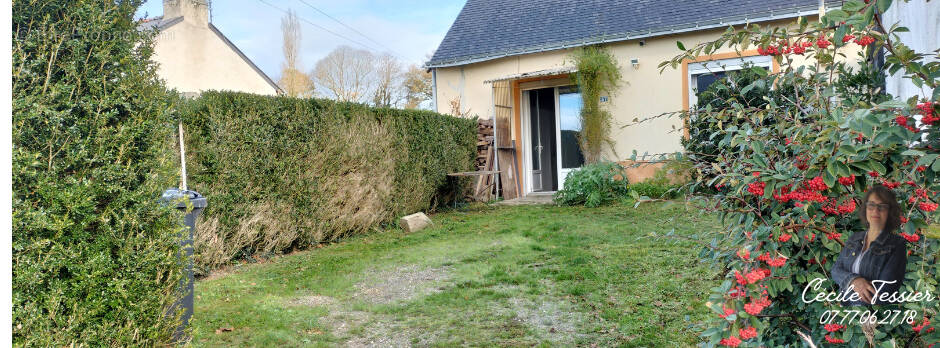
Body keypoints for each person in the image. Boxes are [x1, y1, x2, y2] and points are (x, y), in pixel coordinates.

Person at [830, 185, 908, 306]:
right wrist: (854, 280)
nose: (875, 211)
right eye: (871, 205)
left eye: (882, 207)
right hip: (845, 314)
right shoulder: (854, 238)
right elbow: (836, 270)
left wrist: (860, 312)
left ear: (890, 212)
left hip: (872, 316)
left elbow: (886, 289)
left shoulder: (897, 244)